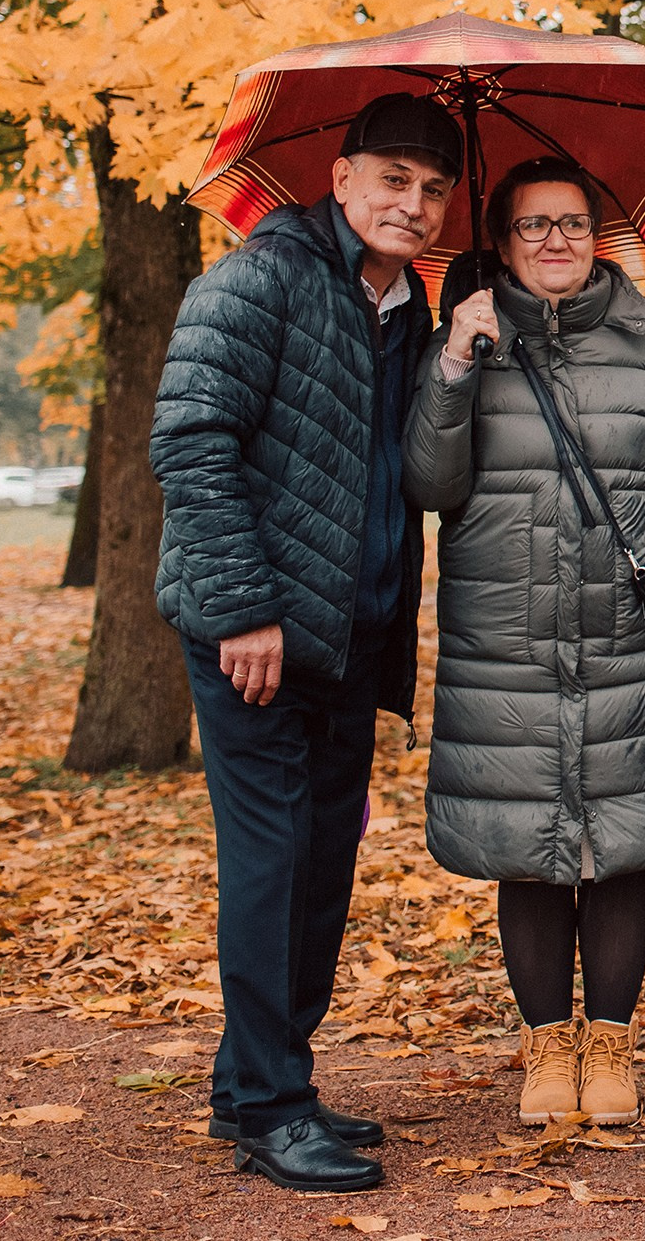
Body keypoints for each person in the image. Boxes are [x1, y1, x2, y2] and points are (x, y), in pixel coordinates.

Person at [150, 91, 460, 1192]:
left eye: (432, 190)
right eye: (391, 180)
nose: (412, 204)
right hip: (255, 633)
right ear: (338, 179)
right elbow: (188, 438)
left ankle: (261, 1076)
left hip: (347, 633)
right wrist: (240, 608)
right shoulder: (261, 275)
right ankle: (271, 1111)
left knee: (321, 865)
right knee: (273, 863)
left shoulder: (406, 303)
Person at [403, 156, 645, 1130]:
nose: (554, 239)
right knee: (530, 850)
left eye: (572, 222)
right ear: (501, 243)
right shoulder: (463, 337)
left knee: (624, 845)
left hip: (631, 631)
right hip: (505, 636)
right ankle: (547, 1044)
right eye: (532, 224)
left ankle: (610, 1043)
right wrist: (457, 363)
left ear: (598, 234)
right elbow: (427, 480)